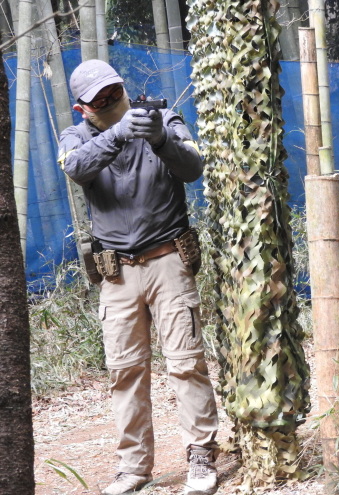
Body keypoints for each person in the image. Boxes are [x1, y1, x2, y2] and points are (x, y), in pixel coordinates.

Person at [58, 59, 220, 495]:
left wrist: (161, 138)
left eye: (115, 92)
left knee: (186, 363)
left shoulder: (163, 119)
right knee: (125, 371)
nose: (112, 101)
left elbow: (193, 167)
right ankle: (133, 468)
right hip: (116, 275)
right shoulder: (76, 137)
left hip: (169, 261)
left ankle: (201, 455)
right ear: (82, 108)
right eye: (100, 100)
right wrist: (117, 134)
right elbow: (75, 168)